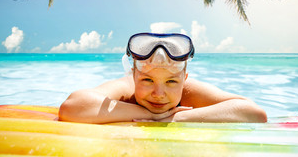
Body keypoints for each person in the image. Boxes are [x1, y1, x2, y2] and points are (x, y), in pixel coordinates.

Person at [59, 33, 267, 123]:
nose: (158, 94)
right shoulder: (127, 87)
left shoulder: (189, 91)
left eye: (171, 82)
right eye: (147, 80)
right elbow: (72, 106)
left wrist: (177, 118)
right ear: (133, 74)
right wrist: (153, 116)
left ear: (184, 79)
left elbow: (254, 113)